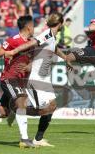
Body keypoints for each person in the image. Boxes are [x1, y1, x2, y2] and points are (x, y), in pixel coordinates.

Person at [0, 16, 55, 148]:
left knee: (4, 112)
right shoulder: (13, 41)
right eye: (33, 26)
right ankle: (24, 139)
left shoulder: (31, 42)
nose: (34, 29)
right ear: (28, 27)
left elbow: (33, 61)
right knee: (21, 103)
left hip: (21, 82)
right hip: (9, 78)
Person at [5, 12, 73, 147]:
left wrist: (66, 58)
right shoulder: (46, 34)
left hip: (45, 78)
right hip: (36, 79)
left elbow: (54, 48)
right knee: (44, 110)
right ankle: (18, 110)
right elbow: (31, 43)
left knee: (52, 106)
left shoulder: (52, 36)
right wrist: (13, 52)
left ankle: (38, 139)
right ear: (59, 24)